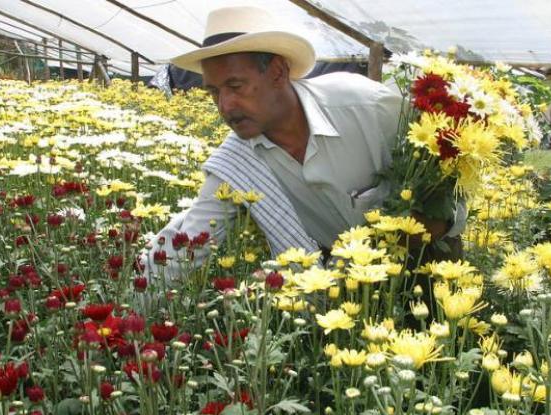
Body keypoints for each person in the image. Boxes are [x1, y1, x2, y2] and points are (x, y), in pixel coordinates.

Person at [143, 6, 465, 281]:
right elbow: (187, 243)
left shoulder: (368, 108)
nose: (225, 106)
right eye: (214, 92)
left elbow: (452, 174)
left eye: (236, 86)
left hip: (431, 270)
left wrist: (439, 221)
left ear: (278, 72)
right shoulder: (237, 161)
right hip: (348, 292)